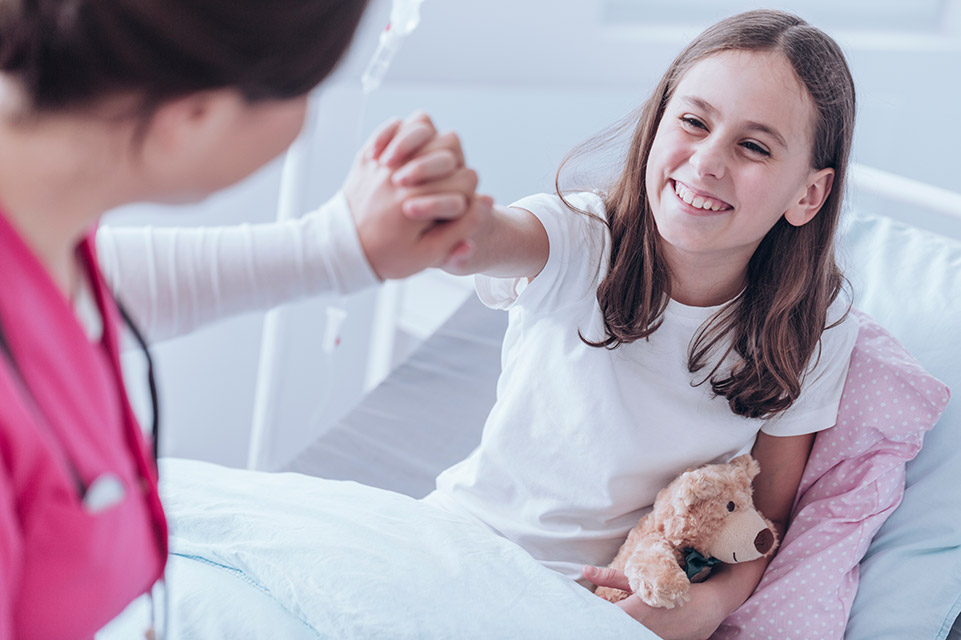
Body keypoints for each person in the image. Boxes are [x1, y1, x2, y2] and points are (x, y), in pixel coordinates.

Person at [0, 1, 490, 638]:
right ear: (194, 116)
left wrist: (338, 246)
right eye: (304, 92)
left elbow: (83, 296)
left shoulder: (42, 219)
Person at [413, 9, 859, 640]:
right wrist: (452, 222)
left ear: (808, 196)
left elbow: (762, 520)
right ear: (658, 126)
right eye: (694, 122)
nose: (707, 162)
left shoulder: (817, 325)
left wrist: (706, 607)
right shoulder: (579, 236)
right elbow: (493, 238)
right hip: (458, 549)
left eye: (753, 146)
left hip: (609, 605)